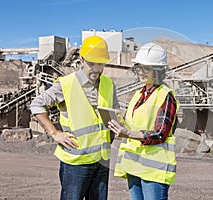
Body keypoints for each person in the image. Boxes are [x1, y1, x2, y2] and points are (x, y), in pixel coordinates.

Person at [30, 35, 120, 200]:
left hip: (102, 159)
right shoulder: (66, 84)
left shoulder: (108, 84)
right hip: (76, 162)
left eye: (100, 64)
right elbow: (37, 105)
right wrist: (55, 133)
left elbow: (113, 113)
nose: (96, 69)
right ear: (81, 59)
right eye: (91, 63)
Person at [108, 42, 179, 200]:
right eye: (138, 67)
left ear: (158, 70)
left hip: (154, 169)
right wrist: (119, 124)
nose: (141, 72)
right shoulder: (138, 94)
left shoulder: (165, 95)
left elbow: (161, 133)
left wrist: (128, 133)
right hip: (134, 164)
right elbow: (133, 125)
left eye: (146, 68)